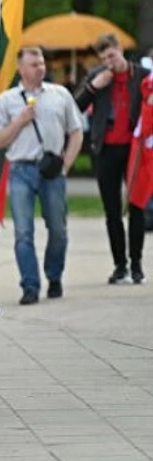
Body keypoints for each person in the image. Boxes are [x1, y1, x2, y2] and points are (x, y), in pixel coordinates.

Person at [0, 47, 84, 305]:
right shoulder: (7, 100)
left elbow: (76, 131)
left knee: (58, 229)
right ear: (21, 68)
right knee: (23, 232)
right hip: (21, 169)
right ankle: (30, 286)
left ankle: (54, 276)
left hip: (53, 171)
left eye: (42, 63)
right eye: (34, 64)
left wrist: (66, 164)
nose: (40, 68)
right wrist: (19, 121)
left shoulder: (59, 94)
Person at [74, 33, 150, 285]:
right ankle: (120, 265)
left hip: (134, 149)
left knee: (137, 206)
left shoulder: (140, 75)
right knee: (112, 211)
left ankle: (137, 265)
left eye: (112, 55)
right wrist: (95, 86)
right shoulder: (98, 76)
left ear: (121, 50)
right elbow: (76, 107)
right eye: (104, 58)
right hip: (105, 149)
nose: (109, 61)